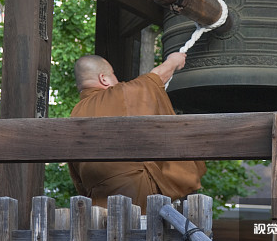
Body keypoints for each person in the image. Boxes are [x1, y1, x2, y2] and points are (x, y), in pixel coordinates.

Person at [67, 52, 206, 212]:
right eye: (113, 74)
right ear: (103, 79)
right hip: (134, 195)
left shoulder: (74, 115)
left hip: (97, 203)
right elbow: (153, 79)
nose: (117, 80)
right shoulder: (116, 94)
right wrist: (173, 61)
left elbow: (77, 177)